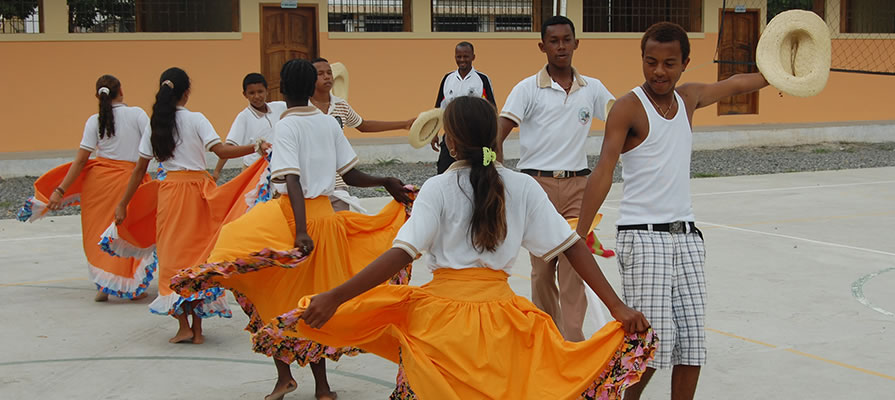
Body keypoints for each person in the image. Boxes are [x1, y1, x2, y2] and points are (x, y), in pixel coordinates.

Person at [255, 96, 658, 399]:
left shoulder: (439, 188)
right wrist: (617, 306)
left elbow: (402, 253)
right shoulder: (521, 186)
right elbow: (571, 246)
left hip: (440, 325)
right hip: (504, 324)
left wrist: (336, 296)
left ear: (448, 139)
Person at [170, 58, 414, 400]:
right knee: (315, 305)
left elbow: (293, 180)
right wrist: (384, 181)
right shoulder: (327, 123)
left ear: (281, 91)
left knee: (268, 290)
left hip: (294, 219)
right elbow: (352, 175)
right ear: (312, 86)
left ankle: (286, 377)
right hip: (327, 221)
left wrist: (300, 231)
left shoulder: (286, 126)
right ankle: (322, 387)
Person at [575, 22, 770, 400]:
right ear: (643, 60)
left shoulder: (689, 98)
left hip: (687, 238)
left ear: (685, 63)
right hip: (643, 237)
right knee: (650, 346)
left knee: (693, 345)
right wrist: (579, 233)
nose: (659, 71)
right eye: (651, 62)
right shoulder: (628, 107)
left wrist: (776, 76)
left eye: (669, 63)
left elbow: (735, 84)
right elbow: (604, 169)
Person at [113, 67, 272, 344]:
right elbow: (221, 151)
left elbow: (140, 169)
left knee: (173, 258)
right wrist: (256, 147)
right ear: (186, 93)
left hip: (171, 193)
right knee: (198, 257)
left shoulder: (156, 123)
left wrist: (123, 203)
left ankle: (184, 326)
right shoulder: (196, 119)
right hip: (199, 192)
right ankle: (197, 329)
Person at [496, 15, 615, 341]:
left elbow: (623, 120)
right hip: (538, 188)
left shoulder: (593, 89)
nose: (561, 46)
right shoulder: (527, 89)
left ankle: (572, 339)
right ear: (542, 46)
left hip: (579, 186)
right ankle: (548, 336)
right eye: (554, 41)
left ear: (576, 43)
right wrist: (499, 177)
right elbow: (499, 133)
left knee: (576, 264)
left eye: (566, 40)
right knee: (543, 268)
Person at [18, 74, 155, 302]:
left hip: (98, 184)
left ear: (97, 96)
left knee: (98, 233)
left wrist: (60, 189)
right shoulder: (137, 114)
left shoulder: (95, 120)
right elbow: (152, 143)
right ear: (121, 90)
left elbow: (81, 160)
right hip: (128, 182)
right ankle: (128, 285)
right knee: (125, 229)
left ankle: (104, 284)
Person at [309, 57, 415, 212]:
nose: (327, 77)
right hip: (313, 183)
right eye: (320, 74)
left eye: (329, 73)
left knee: (339, 228)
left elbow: (363, 125)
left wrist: (404, 124)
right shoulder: (304, 107)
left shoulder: (341, 105)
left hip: (338, 182)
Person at [429, 41, 496, 174]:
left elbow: (491, 109)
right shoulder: (448, 79)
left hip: (474, 137)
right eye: (459, 57)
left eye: (466, 56)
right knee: (444, 171)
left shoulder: (482, 79)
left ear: (473, 57)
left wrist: (493, 138)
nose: (462, 60)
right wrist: (433, 133)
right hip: (451, 135)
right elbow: (438, 108)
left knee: (475, 172)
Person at [212, 73, 287, 181]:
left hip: (278, 169)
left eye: (260, 91)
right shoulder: (243, 117)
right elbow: (229, 146)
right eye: (252, 93)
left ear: (267, 90)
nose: (257, 96)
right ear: (245, 94)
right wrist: (217, 171)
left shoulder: (280, 107)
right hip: (253, 171)